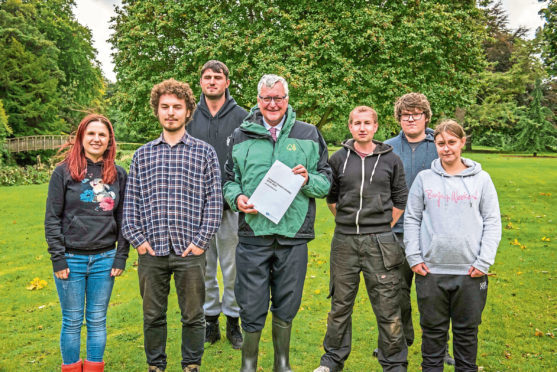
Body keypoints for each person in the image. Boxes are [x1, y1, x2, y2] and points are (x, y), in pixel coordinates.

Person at [223, 74, 332, 372]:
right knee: (251, 302)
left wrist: (308, 179)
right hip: (253, 234)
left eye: (279, 98)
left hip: (293, 234)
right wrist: (238, 199)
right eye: (267, 98)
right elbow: (229, 181)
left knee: (287, 301)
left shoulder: (309, 134)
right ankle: (249, 363)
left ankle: (281, 364)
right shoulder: (241, 134)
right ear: (258, 101)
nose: (273, 104)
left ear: (287, 99)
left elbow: (326, 183)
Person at [122, 79, 223, 372]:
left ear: (188, 111)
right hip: (151, 251)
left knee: (193, 315)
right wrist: (138, 241)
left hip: (189, 250)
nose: (170, 112)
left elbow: (214, 203)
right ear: (157, 110)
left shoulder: (204, 153)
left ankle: (191, 365)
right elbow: (131, 204)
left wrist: (201, 241)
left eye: (177, 107)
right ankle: (156, 366)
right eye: (164, 107)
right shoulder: (142, 155)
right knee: (153, 315)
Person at [313, 106, 408, 372]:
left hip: (381, 242)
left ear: (376, 127)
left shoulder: (391, 160)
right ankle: (332, 360)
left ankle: (394, 363)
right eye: (357, 123)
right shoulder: (338, 158)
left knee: (388, 305)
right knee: (340, 304)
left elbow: (400, 200)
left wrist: (379, 225)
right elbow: (332, 199)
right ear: (350, 126)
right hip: (345, 241)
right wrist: (349, 222)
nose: (362, 127)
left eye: (367, 123)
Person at [404, 120, 501, 371]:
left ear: (462, 143)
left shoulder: (482, 179)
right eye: (440, 143)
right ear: (435, 145)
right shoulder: (425, 179)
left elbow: (492, 222)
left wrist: (483, 261)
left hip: (470, 273)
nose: (446, 148)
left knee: (466, 336)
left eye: (451, 142)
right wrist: (414, 257)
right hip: (431, 272)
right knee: (433, 336)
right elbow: (412, 218)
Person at [45, 114, 129, 372]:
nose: (96, 139)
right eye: (91, 134)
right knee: (72, 320)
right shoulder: (63, 173)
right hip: (71, 260)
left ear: (109, 141)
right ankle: (71, 367)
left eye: (102, 135)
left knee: (97, 320)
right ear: (81, 138)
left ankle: (93, 367)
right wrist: (58, 258)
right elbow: (52, 219)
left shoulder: (118, 175)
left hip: (105, 259)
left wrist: (121, 256)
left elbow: (124, 217)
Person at [383, 92, 456, 361]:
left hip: (433, 233)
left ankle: (441, 347)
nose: (411, 119)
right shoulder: (387, 148)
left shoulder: (438, 146)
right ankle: (398, 341)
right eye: (405, 115)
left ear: (427, 117)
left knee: (437, 295)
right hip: (396, 232)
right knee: (395, 292)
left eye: (416, 114)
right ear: (399, 119)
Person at [188, 60, 247, 349]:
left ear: (226, 82)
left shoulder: (244, 117)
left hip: (231, 207)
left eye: (218, 77)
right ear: (201, 82)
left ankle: (233, 321)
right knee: (204, 268)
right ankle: (209, 320)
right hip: (196, 208)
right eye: (207, 77)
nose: (212, 81)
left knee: (232, 268)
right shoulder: (188, 116)